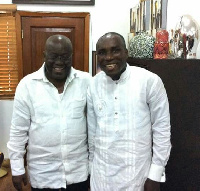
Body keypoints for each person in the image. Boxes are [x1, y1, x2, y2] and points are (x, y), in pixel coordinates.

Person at [87, 32, 171, 191]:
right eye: (102, 53)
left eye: (115, 50)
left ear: (126, 53)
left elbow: (162, 129)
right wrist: (92, 168)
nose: (109, 57)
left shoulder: (149, 81)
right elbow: (92, 131)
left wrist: (155, 175)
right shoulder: (93, 84)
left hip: (137, 175)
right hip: (101, 176)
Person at [7, 34, 91, 191]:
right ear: (45, 55)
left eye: (65, 56)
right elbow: (18, 131)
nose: (59, 62)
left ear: (71, 56)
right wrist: (17, 168)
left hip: (78, 174)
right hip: (43, 175)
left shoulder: (86, 82)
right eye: (54, 56)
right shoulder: (27, 86)